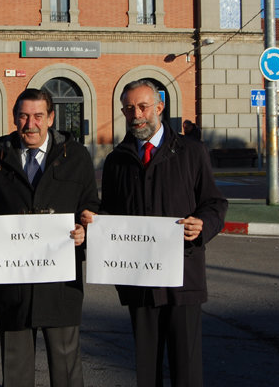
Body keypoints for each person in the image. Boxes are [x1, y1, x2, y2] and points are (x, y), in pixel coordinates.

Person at [81, 79, 227, 387]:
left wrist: (203, 225)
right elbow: (112, 213)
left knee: (186, 370)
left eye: (143, 107)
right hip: (139, 282)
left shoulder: (191, 152)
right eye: (129, 108)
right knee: (147, 372)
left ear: (159, 108)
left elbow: (214, 203)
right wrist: (96, 221)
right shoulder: (116, 160)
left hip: (183, 278)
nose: (137, 115)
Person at [0, 88, 99, 387]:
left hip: (61, 279)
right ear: (14, 119)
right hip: (12, 279)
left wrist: (85, 228)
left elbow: (91, 205)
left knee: (66, 365)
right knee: (16, 368)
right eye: (24, 116)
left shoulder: (76, 155)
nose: (31, 124)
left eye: (38, 116)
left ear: (51, 118)